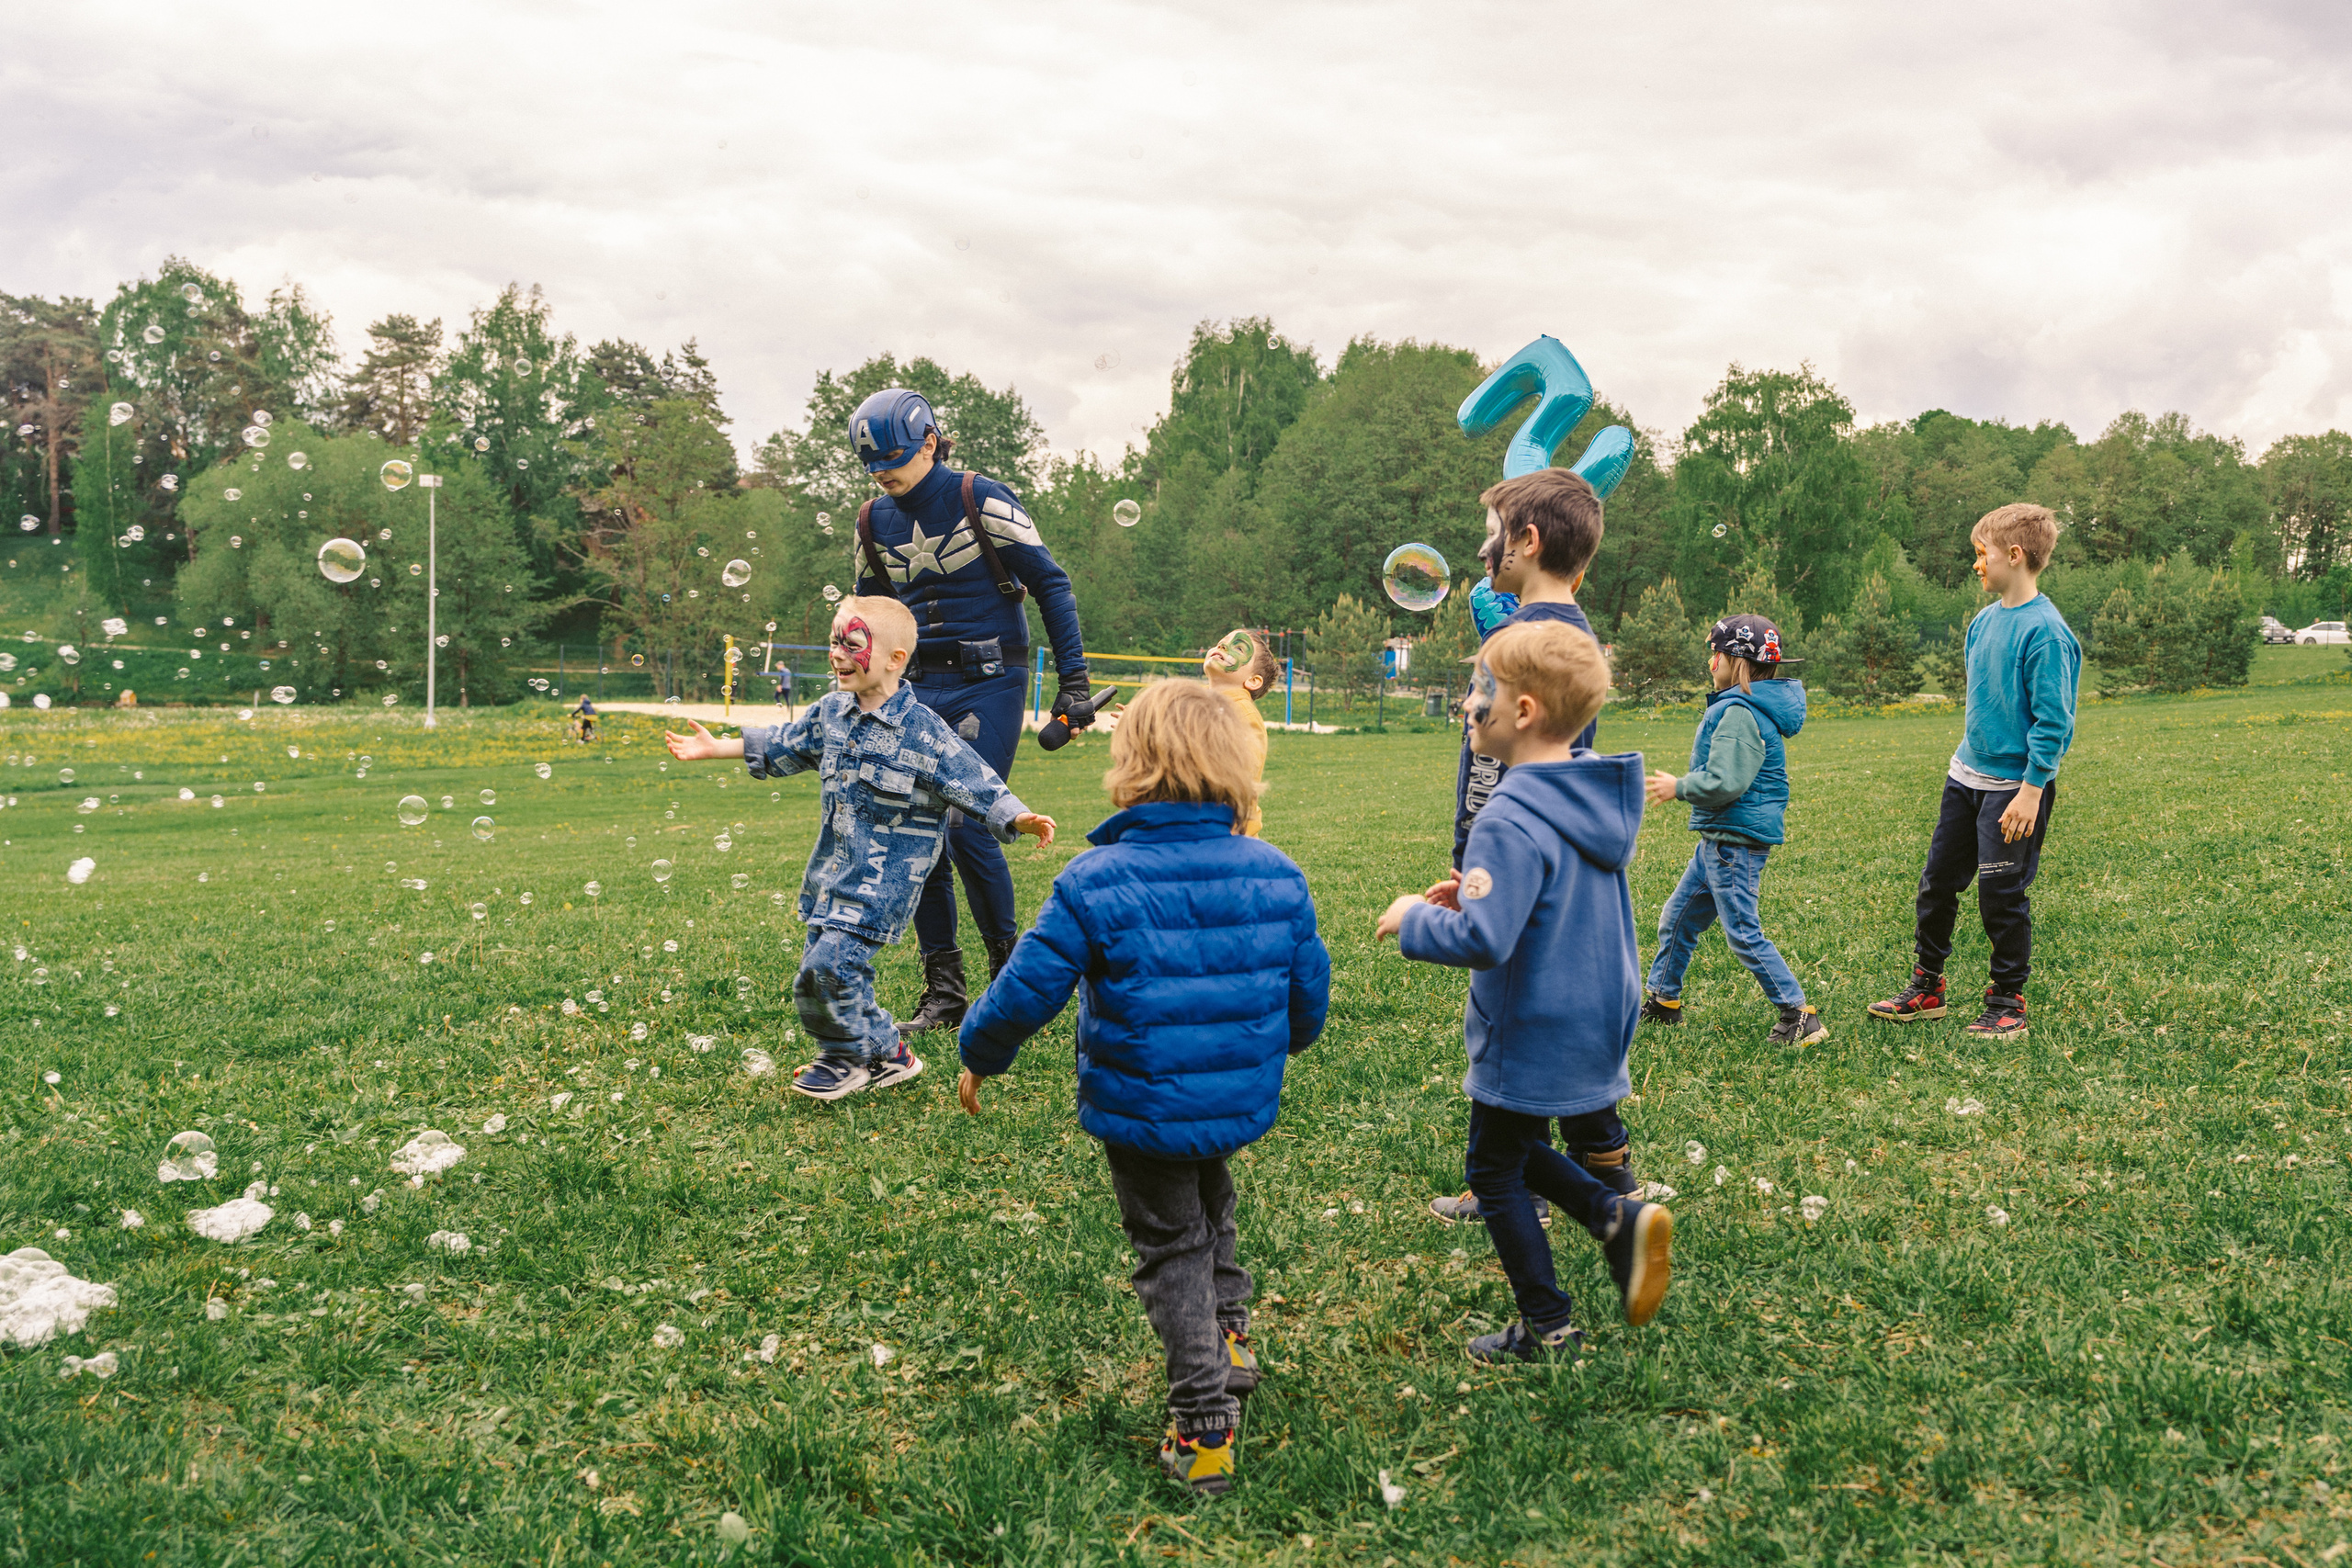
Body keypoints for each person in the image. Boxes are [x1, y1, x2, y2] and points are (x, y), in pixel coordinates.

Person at [957, 681, 1329, 1495]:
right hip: (1236, 1098)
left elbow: (1027, 987)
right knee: (1212, 1202)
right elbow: (1308, 997)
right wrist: (1279, 1045)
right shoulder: (1277, 872)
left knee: (1171, 1247)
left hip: (1143, 1107)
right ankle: (1228, 1336)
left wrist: (980, 1051)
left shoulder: (1096, 880)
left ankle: (1203, 1425)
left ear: (1132, 767)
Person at [1377, 621, 1670, 1360]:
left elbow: (1485, 940)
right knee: (1513, 1146)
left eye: (1483, 691)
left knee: (1491, 1167)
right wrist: (1474, 894)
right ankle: (1615, 1220)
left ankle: (1550, 1323)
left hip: (1533, 1015)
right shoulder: (1585, 793)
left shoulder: (1504, 815)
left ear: (1525, 711)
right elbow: (1547, 897)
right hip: (1596, 1006)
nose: (1471, 707)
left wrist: (1414, 918)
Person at [663, 595, 1056, 1101]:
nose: (838, 654)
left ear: (895, 659)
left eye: (853, 644)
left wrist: (1016, 817)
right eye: (834, 641)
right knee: (816, 978)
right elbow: (785, 742)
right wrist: (716, 747)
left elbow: (971, 778)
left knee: (831, 967)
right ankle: (881, 1055)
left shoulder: (922, 730)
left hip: (884, 882)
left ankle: (852, 1057)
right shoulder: (831, 713)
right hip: (832, 876)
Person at [846, 387, 1094, 1040]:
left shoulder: (981, 497)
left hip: (991, 681)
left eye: (893, 459)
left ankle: (1013, 982)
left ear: (930, 441)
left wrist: (1074, 681)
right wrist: (859, 685)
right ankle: (945, 989)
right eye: (871, 465)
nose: (882, 474)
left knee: (966, 821)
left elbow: (1051, 582)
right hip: (918, 688)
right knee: (916, 830)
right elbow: (869, 618)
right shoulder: (872, 521)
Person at [1430, 467, 1624, 1224]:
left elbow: (1524, 765)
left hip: (1516, 853)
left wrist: (1483, 849)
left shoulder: (1533, 640)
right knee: (1541, 1013)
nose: (1485, 551)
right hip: (1534, 851)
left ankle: (1515, 1180)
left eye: (1495, 535)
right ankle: (1601, 1170)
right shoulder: (1557, 636)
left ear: (1529, 541)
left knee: (1520, 1018)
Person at [1869, 503, 2080, 1041]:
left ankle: (2008, 999)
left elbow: (2053, 723)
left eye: (1981, 554)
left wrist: (2032, 790)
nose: (1976, 565)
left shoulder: (2047, 634)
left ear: (2015, 555)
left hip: (2015, 790)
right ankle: (1927, 987)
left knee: (2000, 895)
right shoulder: (1984, 622)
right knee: (1938, 883)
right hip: (1964, 778)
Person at [1639, 615, 1827, 1045]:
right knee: (1678, 918)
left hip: (1734, 844)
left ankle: (1799, 1014)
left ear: (1737, 663)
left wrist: (1679, 787)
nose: (1711, 663)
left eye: (1717, 655)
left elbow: (1728, 780)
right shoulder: (1741, 707)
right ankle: (1664, 1001)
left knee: (1743, 931)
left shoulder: (1740, 712)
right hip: (1719, 842)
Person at [1201, 626, 1279, 836]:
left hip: (1228, 834)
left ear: (1253, 681)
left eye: (1239, 648)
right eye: (1221, 642)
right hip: (1191, 826)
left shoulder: (1243, 716)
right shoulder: (1193, 704)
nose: (1222, 646)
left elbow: (1238, 778)